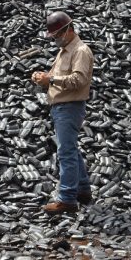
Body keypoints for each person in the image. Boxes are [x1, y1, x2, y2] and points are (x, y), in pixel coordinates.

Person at [31, 11, 94, 214]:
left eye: (57, 35)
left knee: (65, 153)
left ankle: (67, 199)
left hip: (70, 107)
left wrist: (51, 80)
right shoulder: (64, 51)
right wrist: (44, 77)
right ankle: (83, 190)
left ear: (68, 30)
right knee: (71, 149)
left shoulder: (80, 51)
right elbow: (57, 76)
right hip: (61, 107)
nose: (55, 39)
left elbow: (79, 80)